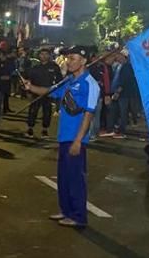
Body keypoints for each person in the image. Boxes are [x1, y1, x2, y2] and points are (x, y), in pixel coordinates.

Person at [21, 44, 100, 228]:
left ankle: (78, 216)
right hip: (64, 136)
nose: (68, 62)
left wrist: (78, 141)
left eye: (73, 58)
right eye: (67, 58)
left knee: (75, 179)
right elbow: (49, 92)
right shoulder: (69, 80)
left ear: (83, 61)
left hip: (75, 138)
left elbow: (89, 114)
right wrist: (31, 87)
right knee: (64, 178)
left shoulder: (90, 84)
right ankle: (66, 210)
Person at [25, 47, 63, 138]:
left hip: (49, 93)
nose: (44, 56)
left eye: (46, 54)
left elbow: (59, 80)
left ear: (49, 55)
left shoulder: (54, 67)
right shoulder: (35, 67)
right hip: (36, 93)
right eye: (42, 54)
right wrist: (28, 90)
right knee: (33, 111)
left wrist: (54, 90)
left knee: (47, 112)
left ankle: (45, 130)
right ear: (39, 55)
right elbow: (28, 80)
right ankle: (30, 129)